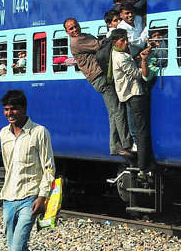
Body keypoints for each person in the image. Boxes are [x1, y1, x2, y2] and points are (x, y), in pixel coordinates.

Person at [0, 89, 54, 251]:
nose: (10, 113)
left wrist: (43, 196)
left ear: (24, 109)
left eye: (14, 109)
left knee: (17, 248)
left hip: (30, 197)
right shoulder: (4, 134)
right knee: (15, 248)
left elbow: (48, 167)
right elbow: (7, 165)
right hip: (9, 196)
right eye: (6, 109)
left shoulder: (39, 132)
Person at [64, 17, 130, 158]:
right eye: (71, 29)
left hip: (99, 77)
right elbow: (99, 45)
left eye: (76, 26)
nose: (75, 30)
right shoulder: (77, 41)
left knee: (113, 112)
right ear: (67, 32)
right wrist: (114, 34)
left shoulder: (83, 36)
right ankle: (126, 144)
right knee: (118, 110)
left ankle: (116, 146)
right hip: (99, 77)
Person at [110, 30, 156, 175]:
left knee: (136, 130)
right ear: (115, 42)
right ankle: (144, 165)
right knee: (141, 131)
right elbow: (140, 75)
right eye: (122, 40)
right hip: (135, 94)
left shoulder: (116, 54)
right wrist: (143, 60)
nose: (126, 43)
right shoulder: (121, 58)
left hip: (127, 96)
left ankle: (141, 163)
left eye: (126, 39)